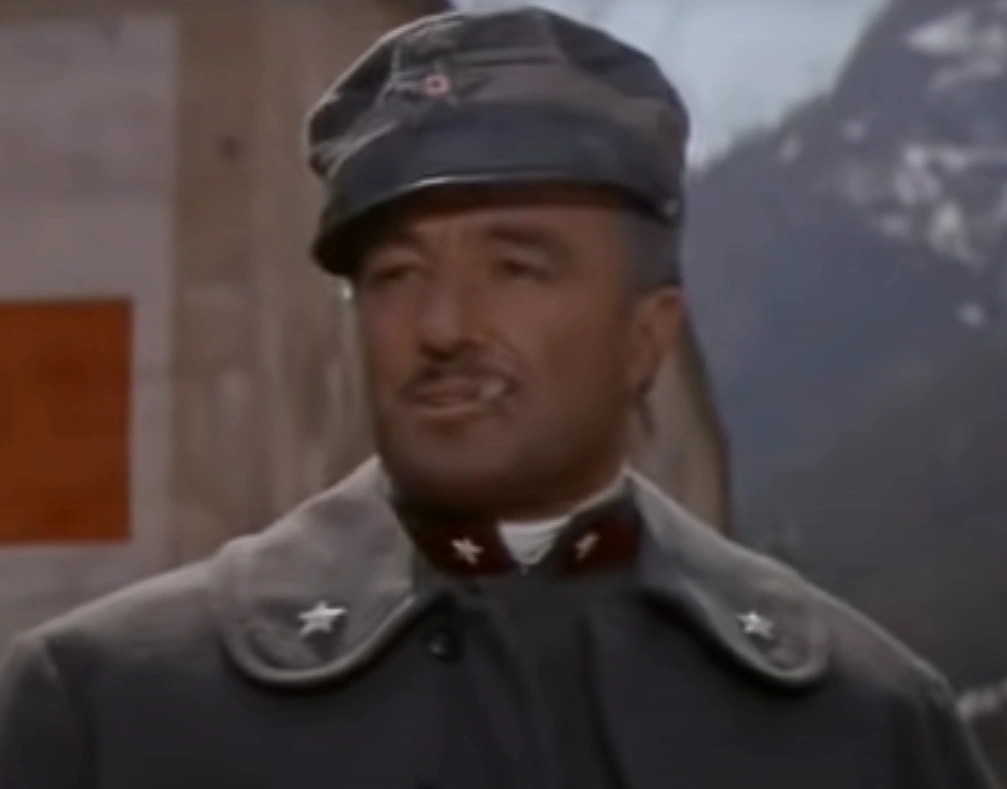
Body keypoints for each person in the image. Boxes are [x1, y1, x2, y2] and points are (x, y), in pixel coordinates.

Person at [0, 7, 998, 788]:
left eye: (515, 267)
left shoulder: (864, 725)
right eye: (395, 274)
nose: (439, 324)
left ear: (645, 336)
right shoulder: (106, 710)